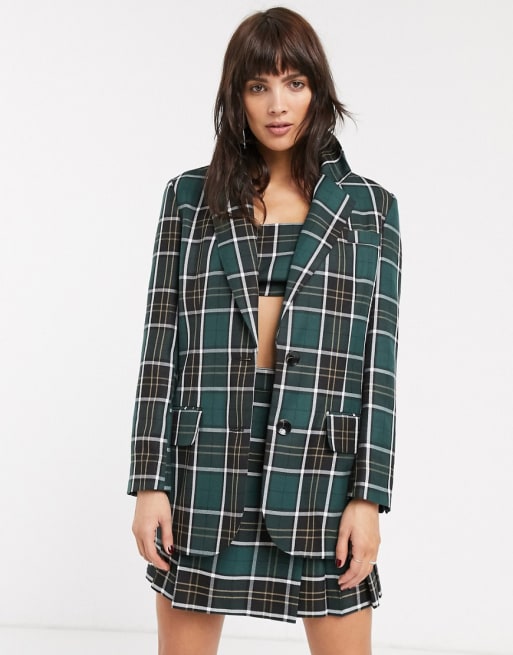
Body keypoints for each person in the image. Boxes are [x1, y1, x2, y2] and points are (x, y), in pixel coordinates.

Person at [128, 7, 401, 655]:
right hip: (204, 468)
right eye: (258, 86)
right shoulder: (188, 199)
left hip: (321, 473)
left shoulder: (369, 208)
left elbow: (378, 363)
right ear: (236, 96)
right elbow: (160, 345)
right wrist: (148, 482)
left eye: (294, 83)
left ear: (317, 90)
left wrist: (368, 498)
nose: (278, 104)